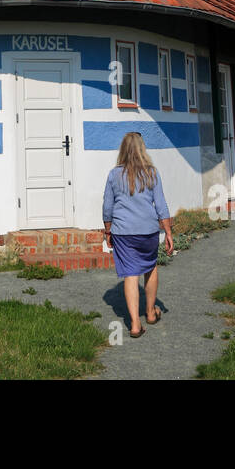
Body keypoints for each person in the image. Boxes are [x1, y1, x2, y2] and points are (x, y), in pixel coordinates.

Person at [102, 132, 174, 337]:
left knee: (130, 274)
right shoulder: (152, 172)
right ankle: (150, 313)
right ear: (143, 149)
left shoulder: (114, 175)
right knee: (150, 267)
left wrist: (108, 230)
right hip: (148, 230)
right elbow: (161, 204)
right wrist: (168, 232)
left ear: (122, 150)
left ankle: (134, 324)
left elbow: (107, 206)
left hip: (123, 232)